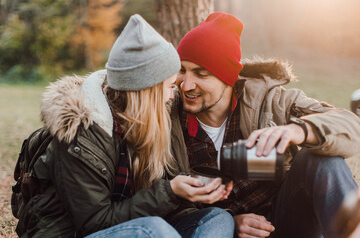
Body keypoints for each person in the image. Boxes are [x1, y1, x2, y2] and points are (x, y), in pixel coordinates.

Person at [15, 14, 235, 238]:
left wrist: (185, 191)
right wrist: (169, 192)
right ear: (147, 91)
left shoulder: (148, 122)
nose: (173, 96)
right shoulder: (83, 135)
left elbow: (154, 203)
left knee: (216, 219)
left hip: (134, 227)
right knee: (153, 231)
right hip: (75, 233)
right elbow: (95, 222)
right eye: (170, 87)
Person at [172, 12, 360, 238]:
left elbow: (351, 125)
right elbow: (163, 201)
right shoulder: (168, 118)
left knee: (319, 158)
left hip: (285, 221)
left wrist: (299, 130)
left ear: (228, 77)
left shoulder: (272, 100)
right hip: (215, 229)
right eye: (182, 70)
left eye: (201, 74)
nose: (186, 85)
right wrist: (232, 223)